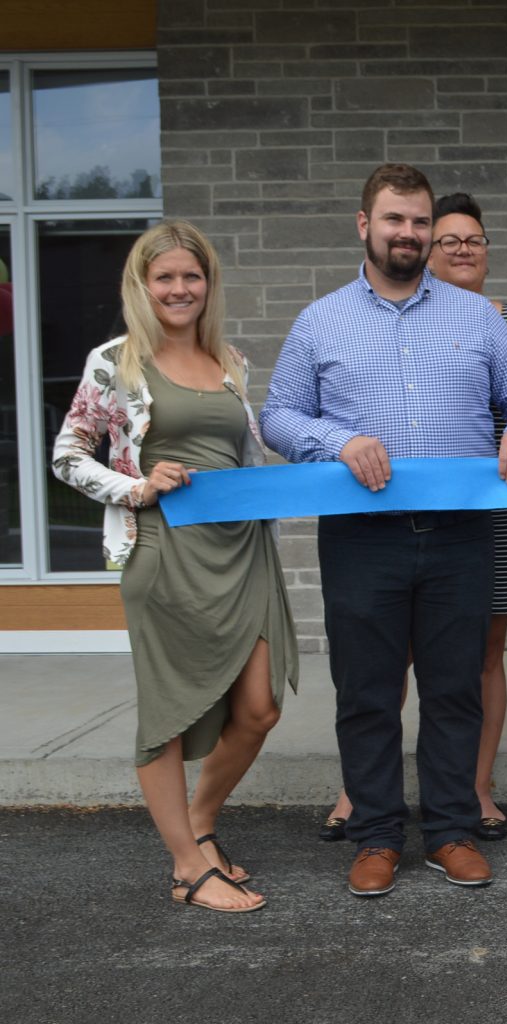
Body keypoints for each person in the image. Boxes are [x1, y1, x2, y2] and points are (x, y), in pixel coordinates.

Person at [262, 164, 507, 898]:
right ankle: (377, 837)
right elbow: (279, 416)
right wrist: (335, 442)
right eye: (395, 220)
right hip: (364, 535)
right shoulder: (320, 320)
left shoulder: (475, 316)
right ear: (365, 225)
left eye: (420, 221)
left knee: (455, 688)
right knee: (367, 690)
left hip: (461, 534)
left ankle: (452, 832)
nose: (409, 233)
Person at [316, 192, 507, 844]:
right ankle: (366, 795)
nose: (462, 250)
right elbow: (289, 413)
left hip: (491, 513)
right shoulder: (346, 318)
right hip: (381, 519)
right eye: (448, 239)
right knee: (386, 660)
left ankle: (470, 792)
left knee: (472, 658)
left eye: (474, 240)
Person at [53, 221, 297, 913]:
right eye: (165, 277)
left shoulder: (231, 361)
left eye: (192, 276)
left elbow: (245, 460)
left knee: (259, 708)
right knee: (167, 715)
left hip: (242, 552)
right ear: (142, 285)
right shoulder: (116, 362)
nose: (180, 288)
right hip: (164, 554)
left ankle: (199, 821)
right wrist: (134, 486)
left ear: (208, 284)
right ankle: (189, 867)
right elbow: (67, 455)